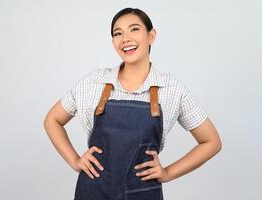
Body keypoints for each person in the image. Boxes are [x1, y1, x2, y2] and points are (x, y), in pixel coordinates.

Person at [43, 7, 222, 200]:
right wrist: (75, 160)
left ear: (151, 36)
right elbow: (52, 120)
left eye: (134, 29)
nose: (125, 38)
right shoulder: (93, 83)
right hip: (93, 191)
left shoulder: (172, 88)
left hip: (143, 193)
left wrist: (168, 173)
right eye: (117, 33)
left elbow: (211, 142)